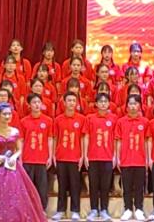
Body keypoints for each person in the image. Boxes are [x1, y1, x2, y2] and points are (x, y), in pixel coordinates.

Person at [83, 93, 117, 222]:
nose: (103, 104)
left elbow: (116, 139)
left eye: (105, 101)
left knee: (105, 185)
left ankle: (104, 209)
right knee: (93, 185)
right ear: (96, 104)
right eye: (101, 101)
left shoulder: (113, 119)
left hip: (107, 157)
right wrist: (85, 155)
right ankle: (93, 210)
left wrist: (115, 156)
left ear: (109, 104)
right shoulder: (90, 118)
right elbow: (86, 136)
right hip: (93, 157)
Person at [116, 95, 150, 221]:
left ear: (140, 106)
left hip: (140, 160)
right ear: (126, 106)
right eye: (130, 104)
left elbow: (147, 141)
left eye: (135, 104)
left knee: (139, 187)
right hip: (125, 160)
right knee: (127, 187)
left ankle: (139, 209)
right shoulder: (121, 122)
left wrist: (148, 158)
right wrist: (117, 158)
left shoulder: (145, 122)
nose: (133, 106)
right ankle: (128, 209)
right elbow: (118, 141)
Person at [20, 94, 55, 216]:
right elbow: (21, 141)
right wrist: (20, 158)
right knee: (28, 186)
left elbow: (50, 139)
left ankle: (41, 210)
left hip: (42, 159)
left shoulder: (48, 121)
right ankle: (27, 210)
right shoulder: (24, 121)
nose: (37, 104)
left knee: (42, 187)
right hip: (27, 158)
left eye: (39, 102)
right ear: (29, 105)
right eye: (34, 102)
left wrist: (50, 156)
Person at [53, 92, 85, 221]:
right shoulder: (58, 119)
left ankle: (75, 211)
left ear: (76, 103)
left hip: (75, 157)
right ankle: (60, 211)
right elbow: (55, 138)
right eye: (69, 100)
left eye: (73, 100)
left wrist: (82, 155)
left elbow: (82, 138)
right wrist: (53, 154)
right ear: (64, 103)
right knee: (62, 186)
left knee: (75, 185)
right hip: (61, 157)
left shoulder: (81, 119)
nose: (71, 103)